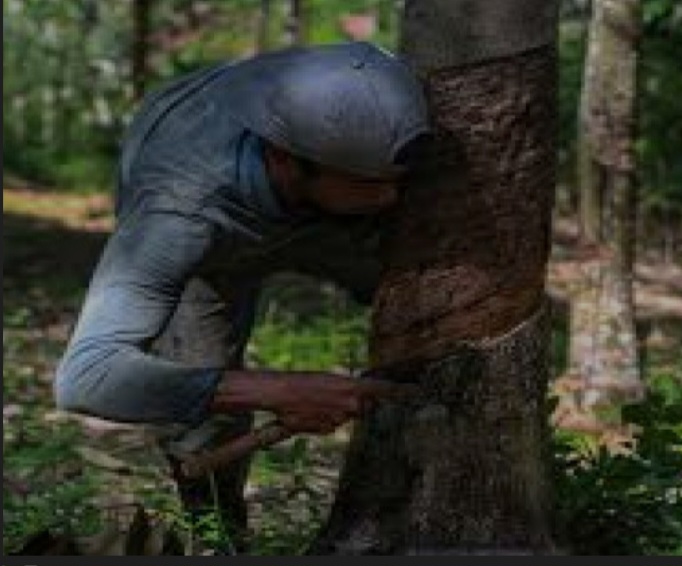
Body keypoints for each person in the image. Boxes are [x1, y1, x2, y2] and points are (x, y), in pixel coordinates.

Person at [52, 41, 431, 551]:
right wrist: (279, 390)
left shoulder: (357, 129)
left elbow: (382, 186)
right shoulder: (180, 215)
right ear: (284, 157)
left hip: (321, 214)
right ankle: (220, 540)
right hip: (219, 238)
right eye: (368, 181)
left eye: (397, 180)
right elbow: (86, 378)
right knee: (208, 422)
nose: (392, 198)